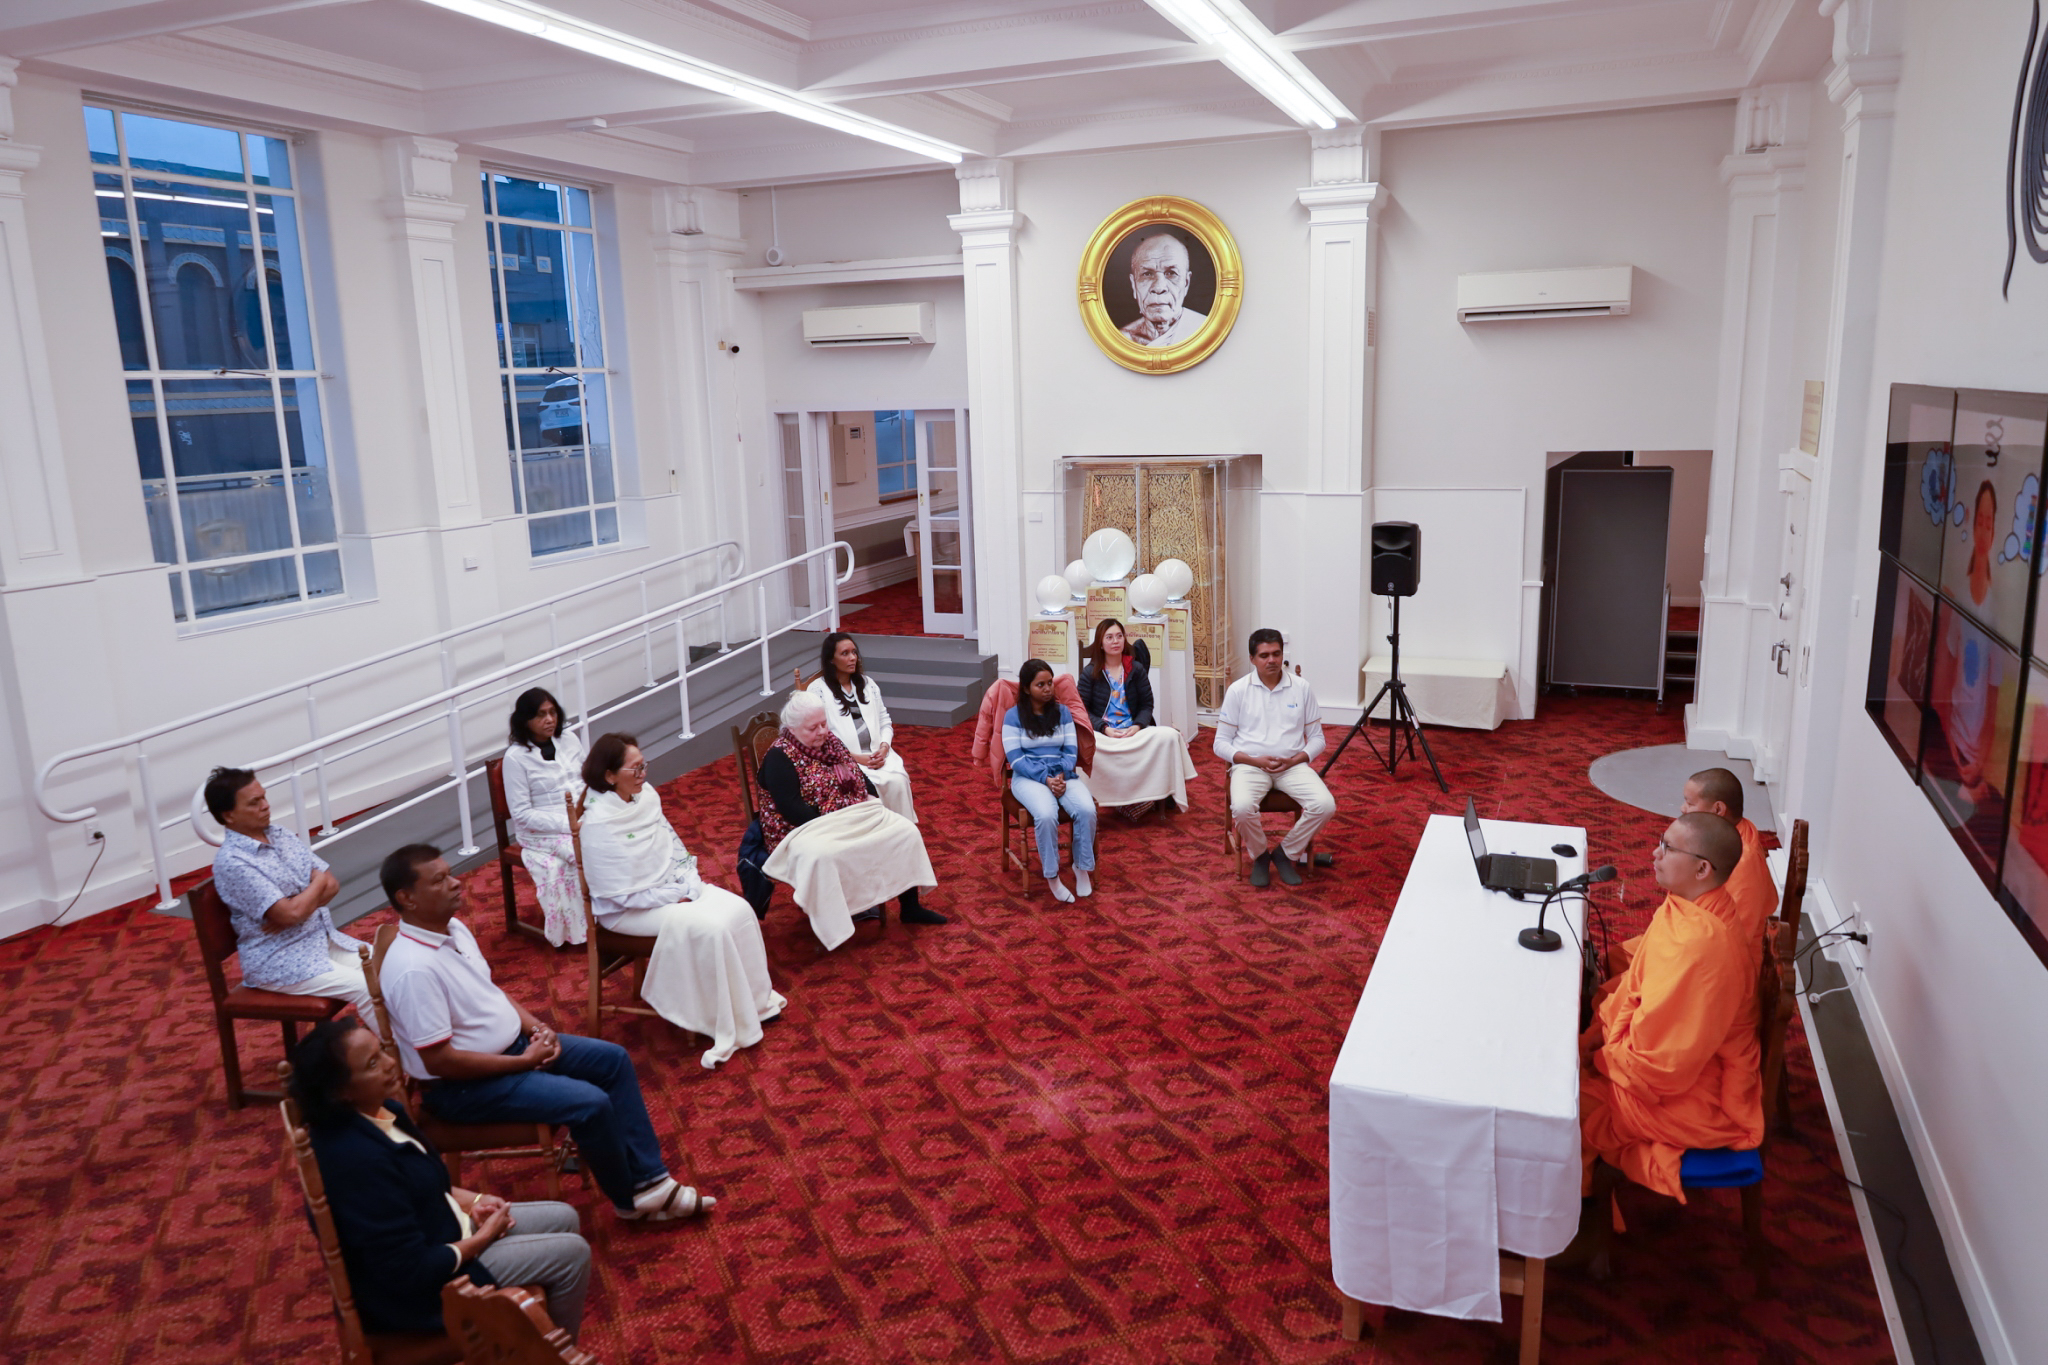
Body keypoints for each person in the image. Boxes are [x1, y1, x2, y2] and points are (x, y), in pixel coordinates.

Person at [375, 843, 713, 1224]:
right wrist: (523, 1062)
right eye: (439, 880)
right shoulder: (413, 970)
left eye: (450, 874)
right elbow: (440, 1061)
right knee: (590, 1103)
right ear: (407, 898)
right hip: (466, 1088)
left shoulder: (452, 928)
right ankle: (630, 1201)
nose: (455, 883)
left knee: (613, 1060)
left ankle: (652, 1182)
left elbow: (490, 993)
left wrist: (538, 1029)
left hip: (516, 1049)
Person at [287, 1017, 592, 1339]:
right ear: (341, 1092)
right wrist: (483, 1238)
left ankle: (530, 1339)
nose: (391, 1064)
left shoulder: (382, 1111)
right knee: (572, 1255)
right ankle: (553, 1353)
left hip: (441, 1231)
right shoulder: (358, 1162)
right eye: (373, 1064)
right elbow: (409, 1271)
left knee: (564, 1217)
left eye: (382, 1051)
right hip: (422, 1292)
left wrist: (474, 1201)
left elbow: (420, 1182)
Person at [1579, 812, 1763, 1201]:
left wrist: (1604, 1055)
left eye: (1667, 847)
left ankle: (1566, 1224)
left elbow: (1664, 1067)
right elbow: (1642, 987)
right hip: (1680, 1052)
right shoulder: (1689, 905)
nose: (1654, 853)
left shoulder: (1701, 945)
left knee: (1566, 1110)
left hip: (1692, 1088)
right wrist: (1607, 1033)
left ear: (1702, 869)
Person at [576, 733, 785, 1068]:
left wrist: (689, 880)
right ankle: (719, 1017)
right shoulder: (597, 825)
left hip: (669, 891)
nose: (643, 774)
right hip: (627, 911)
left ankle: (754, 1003)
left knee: (740, 910)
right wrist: (676, 895)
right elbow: (620, 894)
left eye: (644, 765)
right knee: (711, 929)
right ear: (610, 775)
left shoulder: (646, 797)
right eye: (635, 769)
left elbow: (674, 845)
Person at [759, 691, 945, 947]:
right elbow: (792, 809)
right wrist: (840, 816)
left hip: (849, 815)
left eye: (824, 723)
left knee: (904, 831)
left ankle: (910, 907)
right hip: (802, 828)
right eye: (813, 728)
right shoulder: (779, 757)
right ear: (792, 729)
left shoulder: (831, 742)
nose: (822, 731)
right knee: (825, 856)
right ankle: (833, 924)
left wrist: (872, 801)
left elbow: (860, 777)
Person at [205, 766, 376, 1026]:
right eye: (254, 802)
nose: (266, 805)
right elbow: (293, 912)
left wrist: (298, 904)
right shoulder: (233, 862)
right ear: (229, 815)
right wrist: (313, 886)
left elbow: (331, 886)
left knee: (389, 966)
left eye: (264, 797)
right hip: (279, 959)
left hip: (317, 939)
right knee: (366, 987)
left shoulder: (280, 835)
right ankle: (403, 1050)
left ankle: (422, 1038)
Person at [1604, 767, 1778, 981]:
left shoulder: (1743, 863)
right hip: (1693, 931)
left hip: (1716, 961)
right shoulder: (1731, 832)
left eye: (1690, 803)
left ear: (1718, 809)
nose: (1682, 808)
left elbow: (1732, 940)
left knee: (1625, 984)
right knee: (1616, 957)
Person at [1213, 630, 1336, 887]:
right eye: (1264, 655)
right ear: (1252, 659)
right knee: (1242, 808)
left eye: (1276, 654)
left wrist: (1295, 760)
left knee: (1325, 805)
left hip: (1292, 766)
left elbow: (1318, 739)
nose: (1271, 660)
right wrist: (1254, 761)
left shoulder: (1301, 688)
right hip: (1250, 766)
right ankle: (1260, 856)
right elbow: (1220, 744)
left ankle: (1285, 853)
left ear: (1282, 655)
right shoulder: (1238, 690)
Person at [1075, 618, 1196, 820]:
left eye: (1119, 636)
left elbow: (1147, 705)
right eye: (1109, 637)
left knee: (1170, 736)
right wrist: (1104, 728)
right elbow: (1082, 710)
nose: (1115, 641)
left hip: (1134, 732)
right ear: (1101, 643)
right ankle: (1102, 800)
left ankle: (1155, 796)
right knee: (1084, 746)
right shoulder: (1090, 673)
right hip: (1105, 736)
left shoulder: (1135, 669)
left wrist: (1138, 726)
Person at [500, 688, 587, 946]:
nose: (549, 720)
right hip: (540, 831)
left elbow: (586, 780)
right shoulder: (515, 758)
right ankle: (588, 928)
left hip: (582, 817)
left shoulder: (569, 739)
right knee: (585, 852)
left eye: (552, 713)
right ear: (525, 720)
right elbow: (521, 814)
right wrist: (569, 824)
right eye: (540, 715)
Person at [1005, 658, 1097, 902]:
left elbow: (1070, 751)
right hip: (1028, 778)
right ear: (1027, 689)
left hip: (1062, 774)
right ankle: (1053, 876)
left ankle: (1081, 867)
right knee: (1046, 815)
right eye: (1040, 685)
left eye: (1049, 683)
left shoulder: (1063, 712)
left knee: (1087, 809)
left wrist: (1060, 774)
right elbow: (1016, 759)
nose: (1047, 689)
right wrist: (1045, 778)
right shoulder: (1013, 716)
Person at [806, 633, 915, 822]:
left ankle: (900, 828)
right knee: (868, 785)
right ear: (831, 659)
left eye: (854, 652)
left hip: (878, 755)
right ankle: (875, 830)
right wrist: (855, 758)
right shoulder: (817, 690)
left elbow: (885, 721)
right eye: (845, 653)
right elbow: (818, 737)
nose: (852, 658)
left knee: (897, 780)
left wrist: (884, 748)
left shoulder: (867, 684)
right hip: (843, 760)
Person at [1118, 231, 1208, 347]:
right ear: (1134, 285)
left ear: (1186, 283)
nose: (1159, 288)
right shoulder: (1120, 341)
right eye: (1147, 274)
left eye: (1171, 273)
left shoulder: (1207, 330)